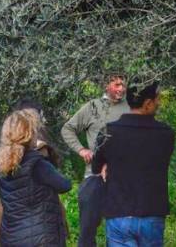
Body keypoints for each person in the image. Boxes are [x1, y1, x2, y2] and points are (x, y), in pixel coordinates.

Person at [92, 81, 175, 246]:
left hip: (118, 212)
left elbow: (96, 167)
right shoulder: (165, 134)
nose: (159, 103)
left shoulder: (108, 132)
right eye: (157, 99)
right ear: (147, 103)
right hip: (151, 211)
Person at [61, 74, 130, 247]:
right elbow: (67, 129)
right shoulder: (92, 107)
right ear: (106, 85)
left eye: (123, 84)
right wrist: (81, 149)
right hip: (94, 175)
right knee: (87, 228)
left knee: (119, 230)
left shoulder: (130, 108)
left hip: (123, 178)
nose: (121, 88)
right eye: (117, 84)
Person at [0, 99, 66, 244]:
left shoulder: (3, 158)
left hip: (12, 230)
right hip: (39, 230)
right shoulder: (37, 156)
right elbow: (62, 184)